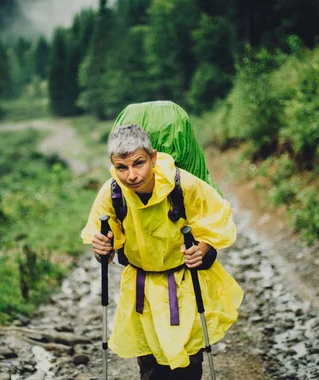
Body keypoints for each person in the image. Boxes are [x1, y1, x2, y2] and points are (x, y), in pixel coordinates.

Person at [81, 123, 243, 379]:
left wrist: (202, 250)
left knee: (188, 362)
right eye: (122, 167)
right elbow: (105, 251)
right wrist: (101, 248)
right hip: (141, 290)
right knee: (151, 366)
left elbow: (214, 228)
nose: (131, 175)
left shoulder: (184, 186)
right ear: (113, 165)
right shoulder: (112, 194)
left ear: (153, 157)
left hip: (184, 286)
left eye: (138, 163)